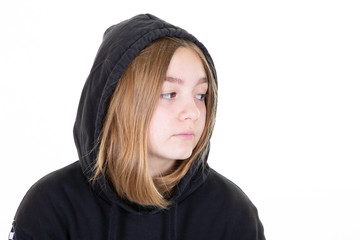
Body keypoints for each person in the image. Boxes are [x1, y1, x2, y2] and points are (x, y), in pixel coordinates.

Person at [9, 14, 265, 240]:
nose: (194, 113)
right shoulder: (51, 207)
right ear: (123, 102)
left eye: (201, 95)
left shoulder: (232, 213)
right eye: (169, 94)